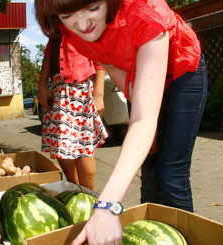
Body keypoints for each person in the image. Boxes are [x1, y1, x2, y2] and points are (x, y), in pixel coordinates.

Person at [35, 0, 208, 243]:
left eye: (93, 8)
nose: (83, 24)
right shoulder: (72, 35)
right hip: (138, 77)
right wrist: (147, 124)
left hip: (183, 73)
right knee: (148, 170)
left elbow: (142, 119)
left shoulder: (146, 13)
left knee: (171, 173)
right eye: (68, 14)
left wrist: (106, 205)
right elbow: (117, 71)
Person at [39, 34, 108, 190]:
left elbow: (100, 58)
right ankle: (73, 188)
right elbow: (48, 56)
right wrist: (41, 85)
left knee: (82, 148)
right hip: (58, 90)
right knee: (61, 145)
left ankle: (88, 196)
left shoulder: (83, 24)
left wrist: (98, 94)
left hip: (80, 90)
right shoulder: (55, 28)